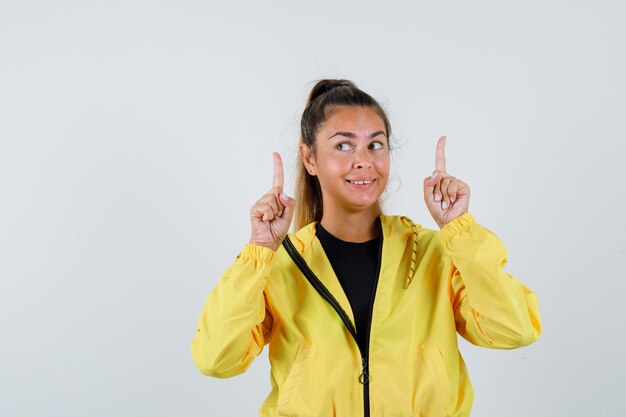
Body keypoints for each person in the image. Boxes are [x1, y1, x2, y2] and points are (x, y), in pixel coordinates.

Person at [190, 79, 542, 417]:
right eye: (343, 146)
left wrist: (459, 230)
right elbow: (217, 358)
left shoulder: (436, 254)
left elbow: (514, 328)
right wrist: (260, 250)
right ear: (310, 158)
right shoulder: (280, 265)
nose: (364, 161)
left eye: (375, 144)